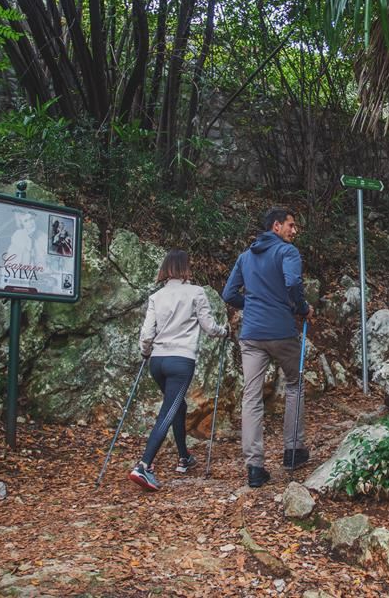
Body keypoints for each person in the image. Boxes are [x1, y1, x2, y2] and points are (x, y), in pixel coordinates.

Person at [222, 207, 314, 488]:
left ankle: (254, 467)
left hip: (251, 334)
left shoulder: (245, 257)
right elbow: (293, 282)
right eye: (291, 225)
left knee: (251, 397)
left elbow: (228, 294)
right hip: (281, 331)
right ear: (276, 226)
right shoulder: (288, 253)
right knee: (295, 384)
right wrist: (301, 308)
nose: (294, 231)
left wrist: (251, 305)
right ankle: (293, 451)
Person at [129, 249, 228, 491]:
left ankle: (184, 457)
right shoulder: (196, 292)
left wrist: (145, 351)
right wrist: (223, 331)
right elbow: (208, 326)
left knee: (178, 405)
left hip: (157, 362)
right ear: (185, 267)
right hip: (181, 361)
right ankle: (144, 465)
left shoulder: (157, 296)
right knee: (168, 411)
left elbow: (146, 334)